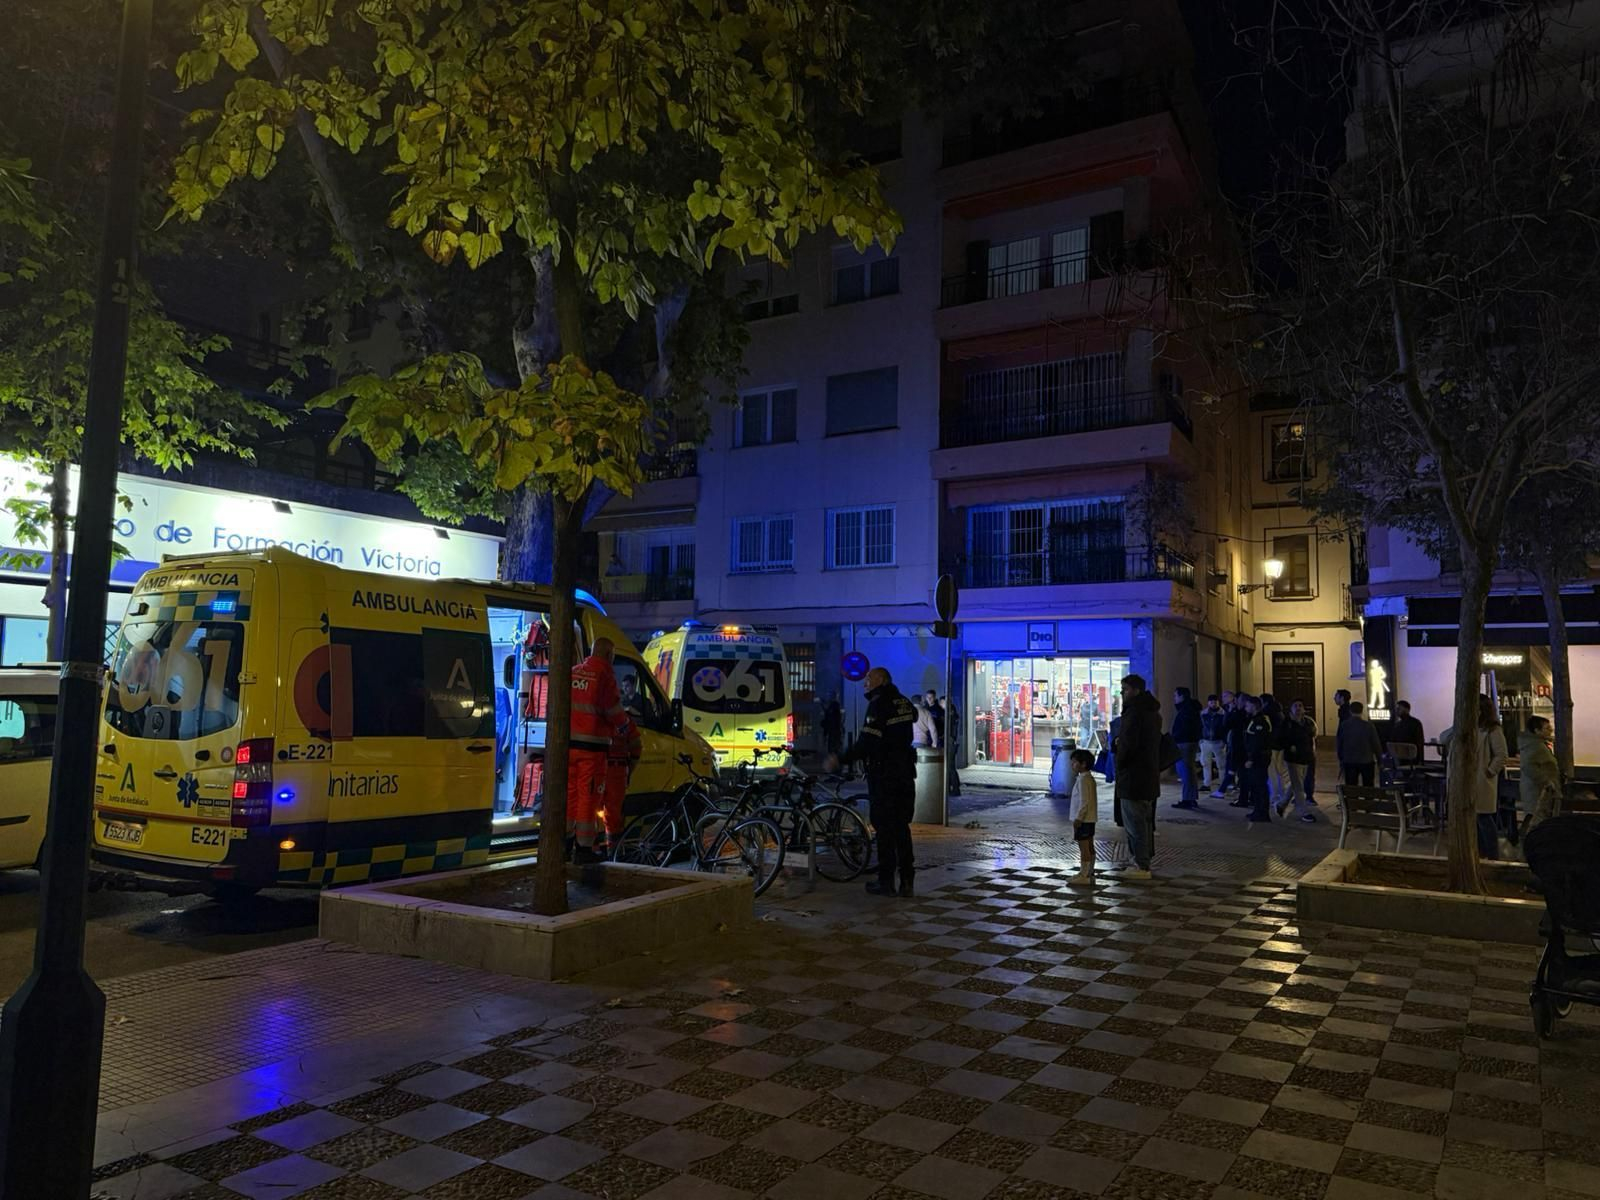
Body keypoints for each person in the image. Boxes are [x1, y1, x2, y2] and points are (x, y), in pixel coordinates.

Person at [827, 666, 917, 897]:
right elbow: (911, 720)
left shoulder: (879, 704)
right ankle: (907, 880)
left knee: (885, 830)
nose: (865, 682)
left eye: (869, 678)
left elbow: (867, 742)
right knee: (901, 829)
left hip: (884, 775)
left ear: (881, 680)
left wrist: (840, 759)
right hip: (906, 773)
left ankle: (886, 882)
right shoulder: (904, 702)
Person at [569, 637, 630, 863]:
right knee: (588, 798)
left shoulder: (574, 672)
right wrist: (624, 725)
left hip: (568, 747)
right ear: (608, 655)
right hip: (591, 750)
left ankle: (565, 843)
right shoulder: (604, 676)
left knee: (570, 795)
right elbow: (612, 709)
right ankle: (583, 849)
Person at [1113, 674, 1162, 879]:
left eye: (1124, 690)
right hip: (1148, 775)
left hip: (1133, 777)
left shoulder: (1135, 713)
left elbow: (1128, 745)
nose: (1122, 694)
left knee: (1135, 824)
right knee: (1144, 822)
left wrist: (1118, 755)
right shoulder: (1153, 713)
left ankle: (1141, 865)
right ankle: (1142, 862)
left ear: (1135, 690)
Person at [1472, 693, 1509, 860]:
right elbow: (1445, 738)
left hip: (1482, 779)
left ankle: (1492, 855)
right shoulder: (1472, 728)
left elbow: (1501, 754)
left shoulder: (1493, 730)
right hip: (1471, 779)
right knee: (1476, 819)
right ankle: (1481, 853)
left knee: (1484, 817)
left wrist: (1489, 771)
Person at [1518, 714, 1562, 841]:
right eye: (1547, 728)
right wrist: (1546, 781)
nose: (1551, 731)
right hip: (1538, 792)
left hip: (1537, 790)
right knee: (1537, 820)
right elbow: (1528, 766)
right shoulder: (1535, 747)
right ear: (1537, 731)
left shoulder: (1536, 745)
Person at [1277, 699, 1318, 823]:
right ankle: (1304, 812)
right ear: (1291, 709)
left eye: (1301, 705)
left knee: (1295, 784)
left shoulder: (1308, 722)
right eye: (1296, 706)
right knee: (1299, 786)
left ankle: (1281, 804)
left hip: (1306, 757)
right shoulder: (1287, 723)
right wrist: (1290, 746)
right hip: (1293, 759)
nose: (1299, 708)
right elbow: (1282, 738)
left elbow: (1313, 736)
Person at [1239, 694, 1274, 822]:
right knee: (1256, 785)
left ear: (1254, 706)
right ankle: (1257, 810)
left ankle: (1262, 812)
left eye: (1247, 705)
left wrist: (1251, 759)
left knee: (1259, 785)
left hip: (1259, 758)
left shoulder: (1260, 721)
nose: (1245, 708)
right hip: (1259, 756)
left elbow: (1257, 742)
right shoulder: (1256, 719)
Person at [1067, 748, 1098, 887]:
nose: (1072, 765)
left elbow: (1084, 801)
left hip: (1084, 820)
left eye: (1074, 763)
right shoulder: (1088, 778)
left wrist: (1079, 818)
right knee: (1090, 846)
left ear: (1083, 764)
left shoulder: (1083, 780)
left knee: (1084, 847)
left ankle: (1084, 874)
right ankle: (1089, 872)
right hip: (1090, 819)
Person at [1335, 700, 1383, 787]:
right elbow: (1376, 744)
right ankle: (1368, 800)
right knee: (1368, 786)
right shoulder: (1368, 726)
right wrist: (1380, 760)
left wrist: (1341, 758)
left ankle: (1352, 800)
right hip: (1366, 760)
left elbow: (1340, 742)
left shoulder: (1344, 725)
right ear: (1362, 710)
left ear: (1350, 710)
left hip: (1349, 760)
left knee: (1351, 786)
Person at [1170, 686, 1202, 810]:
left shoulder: (1187, 710)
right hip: (1188, 742)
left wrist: (1175, 737)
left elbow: (1185, 728)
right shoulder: (1190, 709)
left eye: (1175, 696)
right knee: (1188, 771)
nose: (1174, 698)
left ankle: (1188, 799)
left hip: (1184, 743)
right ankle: (1190, 798)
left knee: (1185, 771)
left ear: (1182, 696)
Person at [1259, 692, 1290, 808]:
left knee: (1272, 772)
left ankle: (1274, 796)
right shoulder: (1279, 712)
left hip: (1272, 746)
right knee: (1280, 772)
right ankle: (1282, 795)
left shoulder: (1267, 714)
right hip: (1280, 745)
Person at [1199, 694, 1228, 795]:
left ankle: (1223, 783)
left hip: (1218, 741)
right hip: (1206, 741)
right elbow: (1200, 726)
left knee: (1221, 764)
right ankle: (1206, 784)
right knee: (1205, 763)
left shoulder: (1223, 714)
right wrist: (1201, 739)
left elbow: (1225, 728)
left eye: (1215, 702)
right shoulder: (1203, 713)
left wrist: (1224, 740)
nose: (1213, 704)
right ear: (1208, 703)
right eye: (1211, 702)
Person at [1220, 690, 1247, 798]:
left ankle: (1224, 788)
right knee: (1234, 768)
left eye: (1226, 696)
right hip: (1232, 743)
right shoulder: (1230, 710)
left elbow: (1227, 724)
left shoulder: (1238, 712)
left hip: (1238, 745)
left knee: (1234, 768)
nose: (1224, 698)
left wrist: (1231, 712)